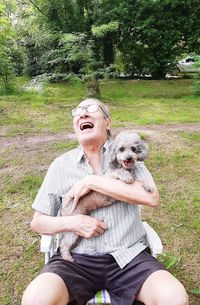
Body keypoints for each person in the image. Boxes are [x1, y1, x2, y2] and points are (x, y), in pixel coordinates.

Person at [22, 98, 188, 305]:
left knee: (174, 298)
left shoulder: (127, 154)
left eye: (91, 109)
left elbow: (151, 197)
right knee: (35, 300)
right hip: (76, 260)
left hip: (129, 257)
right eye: (78, 111)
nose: (82, 113)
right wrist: (73, 223)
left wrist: (91, 181)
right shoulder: (60, 165)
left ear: (107, 123)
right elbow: (37, 223)